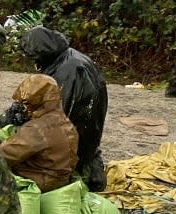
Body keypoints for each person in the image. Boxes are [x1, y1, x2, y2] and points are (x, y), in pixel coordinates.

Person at [14, 26, 109, 190]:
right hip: (89, 130)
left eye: (34, 58)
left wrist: (23, 120)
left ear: (42, 53)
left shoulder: (68, 71)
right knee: (85, 149)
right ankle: (91, 174)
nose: (34, 63)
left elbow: (53, 114)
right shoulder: (70, 58)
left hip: (77, 132)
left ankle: (78, 178)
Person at [0, 74, 78, 193]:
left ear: (35, 102)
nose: (21, 107)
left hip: (41, 182)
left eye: (25, 103)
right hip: (60, 178)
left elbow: (0, 156)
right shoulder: (63, 120)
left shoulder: (35, 129)